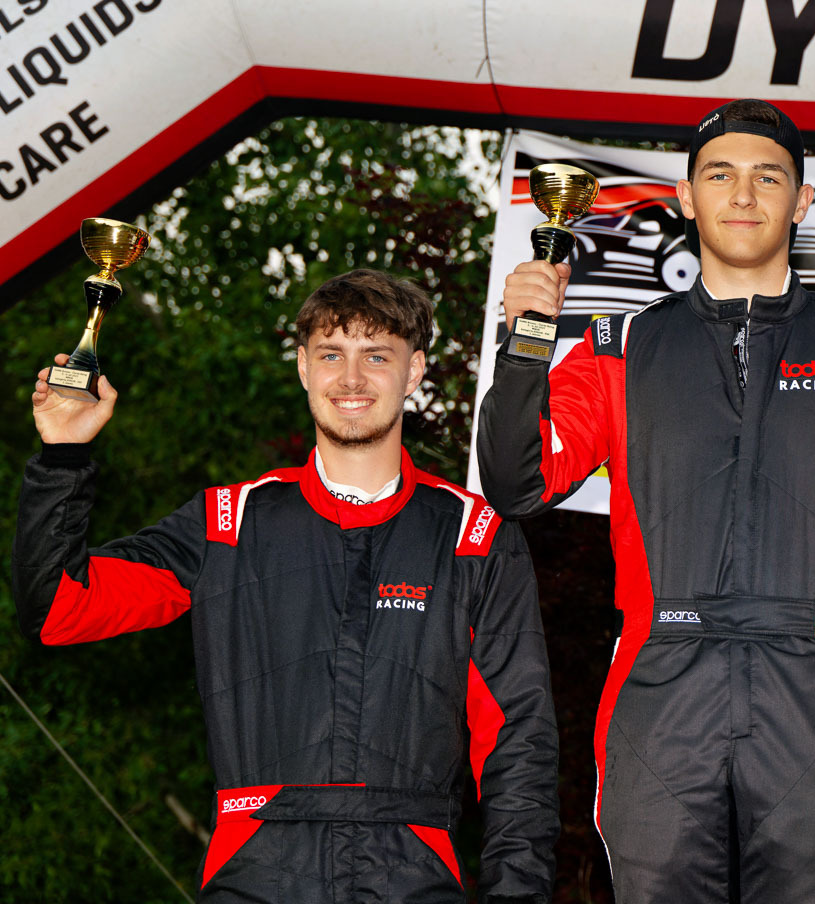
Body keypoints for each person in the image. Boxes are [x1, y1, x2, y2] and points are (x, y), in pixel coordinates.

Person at [476, 99, 815, 903]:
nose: (742, 194)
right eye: (720, 175)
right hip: (658, 682)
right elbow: (517, 482)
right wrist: (526, 339)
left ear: (800, 201)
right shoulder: (619, 347)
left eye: (767, 177)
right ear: (686, 198)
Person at [13, 268, 558, 903]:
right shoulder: (226, 523)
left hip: (413, 877)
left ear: (413, 372)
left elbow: (520, 743)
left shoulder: (476, 536)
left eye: (376, 356)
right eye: (331, 354)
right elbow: (58, 610)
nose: (350, 379)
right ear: (303, 367)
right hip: (255, 874)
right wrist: (63, 457)